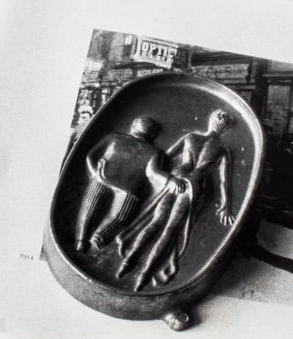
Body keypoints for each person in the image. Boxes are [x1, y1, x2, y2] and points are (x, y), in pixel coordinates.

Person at [116, 109, 237, 291]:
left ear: (210, 122)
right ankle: (144, 276)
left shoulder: (191, 137)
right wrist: (226, 205)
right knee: (170, 230)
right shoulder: (221, 151)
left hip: (177, 179)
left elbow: (166, 156)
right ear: (225, 130)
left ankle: (126, 263)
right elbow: (223, 181)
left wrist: (164, 176)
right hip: (194, 186)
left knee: (156, 222)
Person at [75, 116, 164, 253]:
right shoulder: (154, 152)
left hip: (104, 178)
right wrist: (170, 180)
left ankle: (82, 240)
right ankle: (97, 240)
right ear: (153, 134)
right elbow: (153, 173)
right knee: (119, 217)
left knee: (89, 208)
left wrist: (95, 174)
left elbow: (90, 156)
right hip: (129, 190)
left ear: (133, 127)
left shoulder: (114, 137)